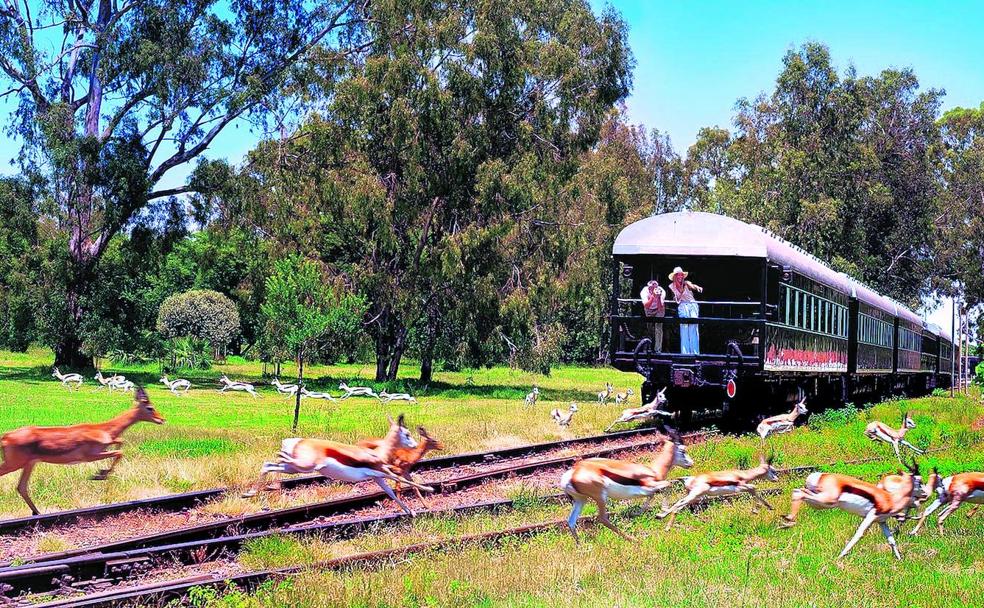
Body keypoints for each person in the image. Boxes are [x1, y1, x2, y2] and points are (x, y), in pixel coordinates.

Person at [668, 266, 703, 354]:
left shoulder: (687, 283)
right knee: (684, 328)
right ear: (675, 277)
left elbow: (694, 286)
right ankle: (685, 353)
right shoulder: (671, 286)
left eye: (681, 275)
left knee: (693, 328)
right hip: (682, 306)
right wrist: (676, 299)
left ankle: (695, 353)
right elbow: (674, 297)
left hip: (692, 305)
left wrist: (698, 287)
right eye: (678, 275)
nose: (680, 277)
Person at [640, 279, 666, 351]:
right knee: (649, 328)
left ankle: (658, 349)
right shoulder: (644, 291)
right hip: (649, 309)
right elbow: (646, 305)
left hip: (659, 309)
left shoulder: (662, 291)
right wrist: (652, 296)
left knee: (659, 328)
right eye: (651, 287)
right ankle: (648, 347)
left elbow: (660, 307)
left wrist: (658, 297)